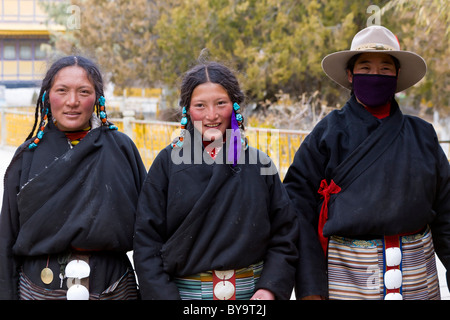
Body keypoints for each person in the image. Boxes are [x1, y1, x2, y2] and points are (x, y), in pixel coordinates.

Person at [284, 25, 449, 300]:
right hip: (347, 280)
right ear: (350, 75)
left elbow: (446, 212)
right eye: (365, 68)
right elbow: (298, 207)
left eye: (385, 69)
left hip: (418, 280)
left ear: (396, 77)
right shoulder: (328, 133)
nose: (376, 76)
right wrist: (311, 288)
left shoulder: (423, 135)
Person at [133, 61, 298, 300]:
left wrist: (269, 288)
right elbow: (146, 242)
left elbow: (285, 233)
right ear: (187, 110)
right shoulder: (167, 164)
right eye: (200, 106)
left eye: (221, 103)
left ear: (235, 106)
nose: (212, 115)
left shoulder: (259, 164)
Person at [0, 56, 147, 300]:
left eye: (84, 91)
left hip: (114, 287)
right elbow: (6, 238)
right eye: (62, 90)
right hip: (39, 289)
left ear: (98, 98)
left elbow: (148, 233)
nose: (72, 102)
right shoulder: (27, 156)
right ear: (48, 96)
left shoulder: (121, 149)